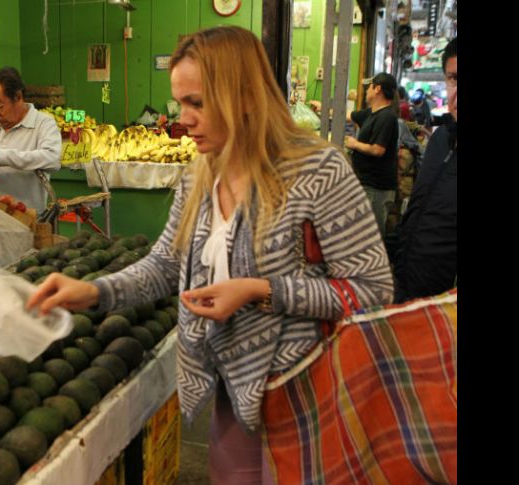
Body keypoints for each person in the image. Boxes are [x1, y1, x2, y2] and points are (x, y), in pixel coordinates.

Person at [27, 26, 393, 484]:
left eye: (197, 103)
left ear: (243, 94)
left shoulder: (318, 172)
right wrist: (94, 291)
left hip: (306, 395)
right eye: (180, 102)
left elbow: (372, 290)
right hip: (230, 396)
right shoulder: (201, 174)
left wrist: (262, 291)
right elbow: (164, 266)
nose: (183, 119)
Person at [392, 37, 457, 303]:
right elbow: (419, 211)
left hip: (445, 310)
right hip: (406, 287)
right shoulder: (441, 139)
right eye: (454, 79)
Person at [0, 67, 62, 212]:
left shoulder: (43, 123)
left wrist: (1, 156)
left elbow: (52, 159)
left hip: (26, 217)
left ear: (18, 97)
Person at [345, 73, 400, 240]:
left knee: (372, 235)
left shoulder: (387, 116)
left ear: (377, 89)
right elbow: (348, 115)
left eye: (369, 87)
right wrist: (322, 107)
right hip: (367, 183)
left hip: (378, 187)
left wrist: (354, 144)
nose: (366, 91)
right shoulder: (372, 114)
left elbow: (378, 150)